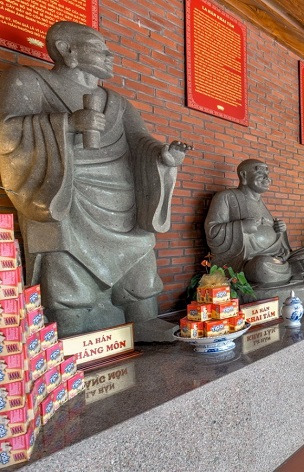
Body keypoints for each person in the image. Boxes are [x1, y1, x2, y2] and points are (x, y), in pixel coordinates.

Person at [0, 22, 189, 340]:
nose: (109, 54)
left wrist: (163, 157)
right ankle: (72, 335)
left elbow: (141, 141)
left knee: (140, 252)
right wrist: (66, 123)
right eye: (98, 46)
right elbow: (7, 133)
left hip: (122, 197)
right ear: (66, 49)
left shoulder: (117, 101)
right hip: (65, 192)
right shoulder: (30, 79)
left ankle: (142, 322)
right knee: (67, 264)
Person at [205, 159, 304, 285]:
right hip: (248, 261)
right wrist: (242, 227)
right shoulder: (226, 197)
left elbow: (270, 232)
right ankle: (295, 268)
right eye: (261, 173)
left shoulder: (260, 202)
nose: (267, 178)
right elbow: (212, 231)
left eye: (268, 174)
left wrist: (280, 230)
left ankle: (288, 268)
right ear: (244, 175)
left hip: (277, 256)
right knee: (260, 267)